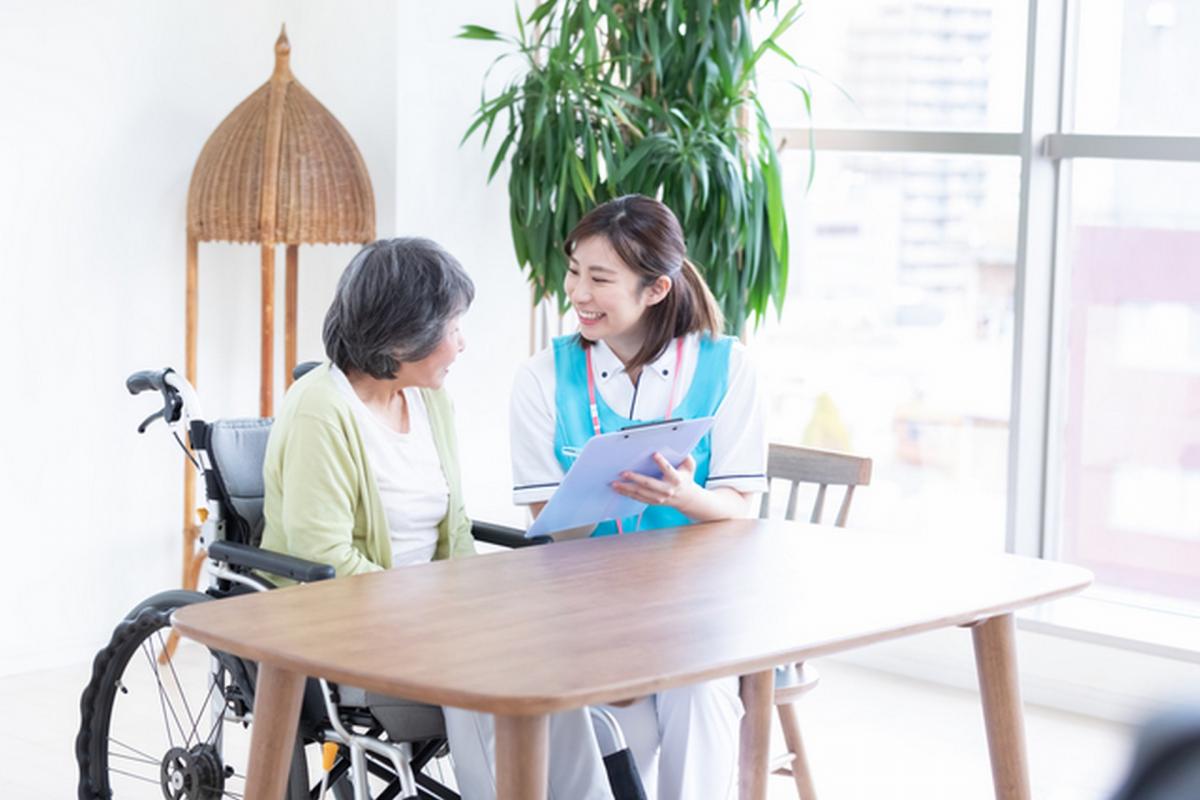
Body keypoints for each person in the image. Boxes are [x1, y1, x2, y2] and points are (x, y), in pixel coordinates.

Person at [261, 237, 614, 800]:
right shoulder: (318, 410)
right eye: (452, 328)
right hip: (342, 624)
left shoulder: (429, 400)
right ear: (403, 335)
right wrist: (437, 609)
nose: (461, 343)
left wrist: (472, 601)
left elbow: (454, 530)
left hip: (432, 616)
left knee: (550, 662)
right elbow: (321, 558)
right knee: (483, 666)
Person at [509, 194, 769, 799]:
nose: (577, 292)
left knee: (701, 696)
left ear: (655, 289)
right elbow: (548, 531)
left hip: (695, 609)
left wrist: (684, 494)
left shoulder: (727, 366)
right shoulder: (541, 377)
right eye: (574, 270)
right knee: (617, 733)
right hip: (586, 614)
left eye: (600, 278)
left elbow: (740, 509)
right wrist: (583, 500)